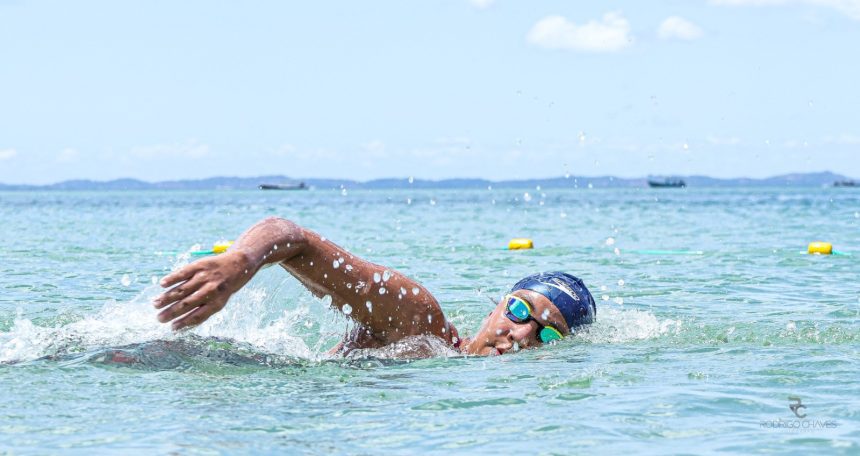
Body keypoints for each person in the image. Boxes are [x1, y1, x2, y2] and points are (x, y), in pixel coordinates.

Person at [152, 217, 596, 356]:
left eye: (548, 333)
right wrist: (240, 261)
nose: (522, 334)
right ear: (497, 306)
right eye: (520, 311)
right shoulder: (422, 325)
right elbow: (294, 238)